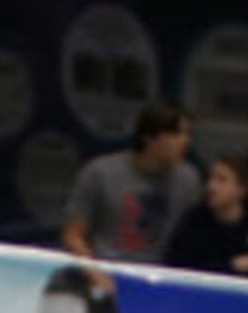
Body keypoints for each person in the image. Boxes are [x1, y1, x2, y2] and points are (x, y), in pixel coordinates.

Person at [61, 101, 199, 267]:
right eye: (175, 134)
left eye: (187, 134)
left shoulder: (188, 180)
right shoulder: (99, 173)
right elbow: (73, 235)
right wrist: (96, 273)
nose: (185, 141)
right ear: (149, 137)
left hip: (160, 276)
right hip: (106, 268)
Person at [161, 155, 248, 278]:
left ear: (242, 189)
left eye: (222, 180)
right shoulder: (194, 221)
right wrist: (230, 266)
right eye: (211, 179)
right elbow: (178, 267)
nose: (211, 187)